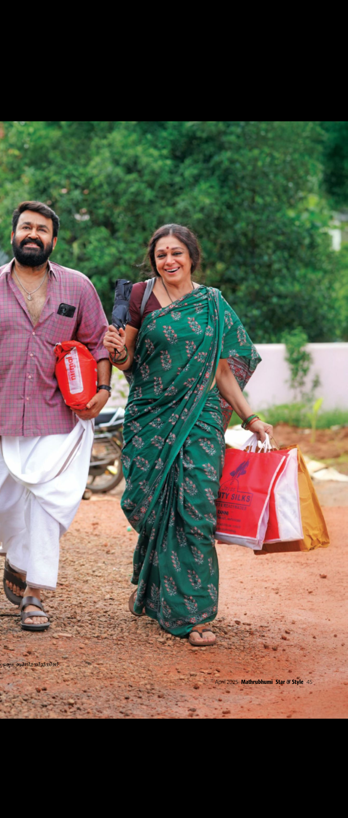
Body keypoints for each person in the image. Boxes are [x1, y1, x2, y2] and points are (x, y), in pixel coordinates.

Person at [0, 200, 111, 631]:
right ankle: (17, 558)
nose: (33, 235)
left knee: (48, 505)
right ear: (13, 234)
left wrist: (104, 389)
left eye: (42, 230)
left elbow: (100, 345)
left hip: (60, 417)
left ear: (53, 240)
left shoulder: (78, 287)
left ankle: (34, 593)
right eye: (26, 228)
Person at [103, 223, 273, 646]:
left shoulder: (212, 303)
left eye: (176, 252)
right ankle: (153, 590)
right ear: (153, 260)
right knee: (153, 509)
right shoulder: (139, 296)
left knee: (195, 509)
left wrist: (251, 418)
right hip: (150, 419)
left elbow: (221, 368)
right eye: (161, 254)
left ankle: (194, 614)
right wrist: (117, 351)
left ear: (191, 256)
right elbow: (126, 360)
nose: (169, 261)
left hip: (199, 420)